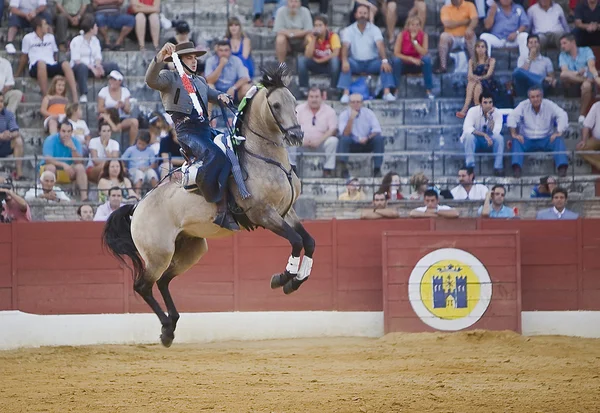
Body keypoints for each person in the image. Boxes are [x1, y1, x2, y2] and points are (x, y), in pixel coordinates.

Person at [145, 41, 238, 231]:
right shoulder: (169, 78)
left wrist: (222, 95)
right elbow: (150, 80)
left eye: (195, 58)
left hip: (204, 129)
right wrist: (159, 57)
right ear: (179, 59)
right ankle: (219, 207)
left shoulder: (200, 81)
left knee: (232, 148)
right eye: (189, 57)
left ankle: (236, 198)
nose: (194, 61)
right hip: (187, 131)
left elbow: (212, 93)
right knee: (215, 156)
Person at [338, 4, 396, 103]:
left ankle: (387, 93)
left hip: (372, 63)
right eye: (360, 13)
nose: (362, 15)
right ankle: (346, 94)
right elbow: (345, 46)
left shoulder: (374, 29)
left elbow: (380, 45)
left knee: (385, 63)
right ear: (356, 15)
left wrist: (384, 60)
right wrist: (344, 60)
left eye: (365, 13)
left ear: (368, 15)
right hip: (356, 62)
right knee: (347, 63)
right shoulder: (348, 30)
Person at [507, 85, 569, 178]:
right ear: (529, 98)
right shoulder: (523, 105)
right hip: (527, 139)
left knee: (558, 140)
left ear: (541, 96)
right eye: (532, 97)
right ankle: (517, 169)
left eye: (538, 96)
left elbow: (562, 115)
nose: (535, 99)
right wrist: (513, 133)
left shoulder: (549, 104)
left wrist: (559, 131)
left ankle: (562, 168)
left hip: (546, 139)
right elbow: (512, 116)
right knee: (516, 141)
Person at [17, 16, 78, 100]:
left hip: (51, 64)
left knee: (66, 64)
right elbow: (24, 56)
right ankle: (46, 96)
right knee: (41, 63)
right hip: (36, 66)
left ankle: (75, 96)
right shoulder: (28, 38)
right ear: (39, 27)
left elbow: (55, 54)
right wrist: (17, 73)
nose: (47, 27)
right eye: (45, 24)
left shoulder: (50, 37)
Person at [288, 87, 338, 177]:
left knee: (333, 141)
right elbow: (292, 128)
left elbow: (332, 130)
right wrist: (302, 140)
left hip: (321, 144)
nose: (314, 99)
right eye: (311, 97)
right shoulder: (299, 109)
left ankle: (328, 170)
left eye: (316, 97)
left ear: (321, 97)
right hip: (302, 143)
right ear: (308, 97)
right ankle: (292, 168)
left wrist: (319, 141)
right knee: (290, 140)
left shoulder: (329, 111)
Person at [70, 14, 121, 103]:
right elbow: (77, 60)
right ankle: (83, 94)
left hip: (93, 67)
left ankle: (122, 91)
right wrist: (92, 68)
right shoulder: (76, 41)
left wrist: (98, 66)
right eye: (95, 26)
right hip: (80, 68)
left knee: (113, 66)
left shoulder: (95, 40)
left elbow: (97, 56)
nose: (97, 28)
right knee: (82, 67)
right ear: (91, 29)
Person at [337, 93, 385, 177]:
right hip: (352, 143)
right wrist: (351, 118)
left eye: (358, 102)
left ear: (362, 103)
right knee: (344, 139)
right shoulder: (344, 115)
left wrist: (367, 138)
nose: (355, 104)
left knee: (379, 139)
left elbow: (377, 130)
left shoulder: (369, 113)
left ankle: (377, 169)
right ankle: (344, 169)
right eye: (353, 102)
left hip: (366, 141)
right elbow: (345, 133)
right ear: (349, 103)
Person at [460, 90, 504, 176]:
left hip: (489, 141)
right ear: (480, 103)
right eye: (485, 102)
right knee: (469, 136)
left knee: (499, 139)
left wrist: (490, 118)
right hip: (476, 141)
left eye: (490, 102)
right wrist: (484, 135)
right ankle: (470, 166)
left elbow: (495, 131)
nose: (488, 105)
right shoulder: (472, 111)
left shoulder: (497, 113)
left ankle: (498, 167)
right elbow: (467, 128)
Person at [559, 34, 600, 124]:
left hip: (586, 83)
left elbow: (591, 66)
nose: (562, 46)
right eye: (561, 44)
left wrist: (595, 77)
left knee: (587, 85)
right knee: (563, 75)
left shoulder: (586, 50)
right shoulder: (562, 55)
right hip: (571, 84)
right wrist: (577, 73)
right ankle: (585, 80)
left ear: (573, 42)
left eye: (564, 43)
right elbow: (564, 72)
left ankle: (582, 115)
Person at [392, 15, 433, 100]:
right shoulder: (402, 35)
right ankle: (395, 90)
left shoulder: (424, 35)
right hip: (405, 63)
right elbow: (396, 53)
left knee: (427, 60)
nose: (415, 27)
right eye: (412, 25)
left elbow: (424, 52)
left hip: (418, 64)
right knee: (396, 61)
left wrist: (414, 41)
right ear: (408, 26)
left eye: (417, 25)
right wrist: (410, 59)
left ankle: (429, 90)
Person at [297, 15, 341, 93]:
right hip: (315, 64)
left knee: (335, 60)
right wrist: (314, 39)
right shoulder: (310, 37)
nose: (317, 28)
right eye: (315, 25)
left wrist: (320, 60)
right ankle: (304, 89)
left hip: (328, 65)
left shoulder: (333, 36)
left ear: (326, 26)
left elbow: (336, 53)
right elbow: (308, 56)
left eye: (320, 25)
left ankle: (333, 88)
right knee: (301, 60)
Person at [456, 39, 497, 118]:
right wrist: (476, 79)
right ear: (475, 48)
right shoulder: (472, 61)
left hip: (487, 84)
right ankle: (477, 109)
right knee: (474, 84)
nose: (480, 49)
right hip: (475, 83)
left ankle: (465, 109)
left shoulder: (491, 60)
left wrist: (479, 78)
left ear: (486, 49)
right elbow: (470, 75)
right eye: (478, 47)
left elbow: (488, 75)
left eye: (482, 47)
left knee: (475, 83)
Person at [435, 0, 478, 74]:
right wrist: (465, 21)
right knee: (443, 36)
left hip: (465, 36)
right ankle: (443, 67)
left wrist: (469, 28)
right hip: (452, 37)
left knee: (471, 35)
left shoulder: (469, 5)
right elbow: (447, 24)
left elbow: (474, 20)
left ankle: (475, 66)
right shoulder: (445, 8)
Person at [0, 93, 25, 180]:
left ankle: (19, 174)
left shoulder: (8, 114)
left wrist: (9, 134)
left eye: (1, 101)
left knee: (18, 140)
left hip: (5, 145)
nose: (0, 104)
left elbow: (16, 131)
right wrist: (1, 135)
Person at [579, 100, 600, 169]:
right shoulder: (596, 105)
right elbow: (586, 125)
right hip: (596, 139)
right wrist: (584, 140)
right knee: (581, 148)